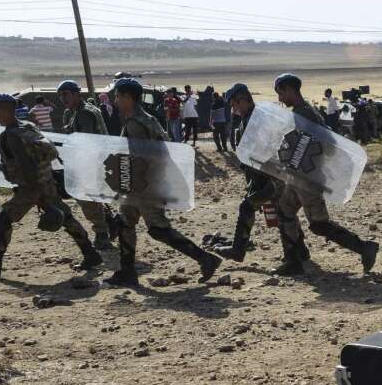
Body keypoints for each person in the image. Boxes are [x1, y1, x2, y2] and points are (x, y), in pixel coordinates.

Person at [0, 93, 101, 278]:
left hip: (31, 187)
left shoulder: (11, 136)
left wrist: (35, 195)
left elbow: (26, 166)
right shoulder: (28, 126)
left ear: (6, 110)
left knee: (4, 218)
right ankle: (91, 254)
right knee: (66, 217)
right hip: (46, 181)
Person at [103, 77, 221, 287]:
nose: (115, 99)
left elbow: (141, 158)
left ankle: (206, 259)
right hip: (141, 184)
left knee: (157, 229)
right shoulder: (146, 119)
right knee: (124, 224)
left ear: (128, 98)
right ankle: (127, 272)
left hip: (144, 185)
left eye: (118, 96)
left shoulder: (136, 124)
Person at [272, 73, 379, 275]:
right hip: (298, 176)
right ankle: (295, 257)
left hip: (309, 178)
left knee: (319, 224)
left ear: (290, 90)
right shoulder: (301, 113)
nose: (280, 99)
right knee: (284, 211)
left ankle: (364, 247)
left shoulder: (306, 115)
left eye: (281, 93)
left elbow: (327, 145)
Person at [210, 83, 307, 270]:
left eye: (235, 104)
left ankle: (238, 250)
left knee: (248, 207)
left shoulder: (258, 118)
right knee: (283, 214)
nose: (234, 108)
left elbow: (268, 148)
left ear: (244, 100)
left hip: (272, 177)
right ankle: (300, 251)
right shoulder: (250, 118)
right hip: (267, 176)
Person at [56, 79, 118, 251]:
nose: (63, 98)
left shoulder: (84, 113)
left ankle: (102, 235)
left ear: (76, 94)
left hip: (90, 162)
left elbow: (86, 141)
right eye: (61, 95)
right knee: (92, 198)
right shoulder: (79, 111)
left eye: (66, 94)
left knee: (87, 200)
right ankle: (111, 223)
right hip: (94, 161)